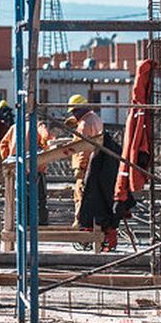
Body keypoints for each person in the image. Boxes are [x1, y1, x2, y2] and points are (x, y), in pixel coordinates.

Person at [65, 94, 104, 229]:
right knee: (93, 195)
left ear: (81, 109)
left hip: (86, 165)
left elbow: (83, 148)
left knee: (80, 194)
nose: (74, 115)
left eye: (75, 111)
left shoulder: (84, 124)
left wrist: (79, 168)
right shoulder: (95, 119)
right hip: (96, 163)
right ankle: (90, 224)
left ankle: (80, 222)